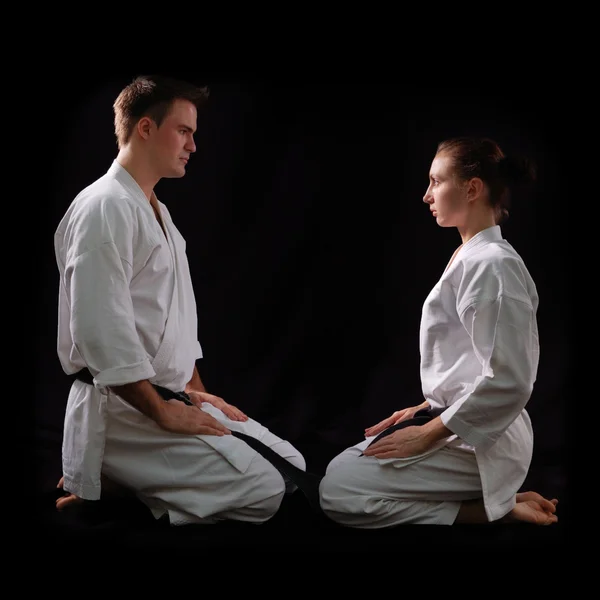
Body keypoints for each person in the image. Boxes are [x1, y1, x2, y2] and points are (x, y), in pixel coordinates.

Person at [53, 74, 306, 525]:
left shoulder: (156, 210)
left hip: (168, 396)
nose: (192, 145)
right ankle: (112, 473)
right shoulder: (105, 206)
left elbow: (171, 324)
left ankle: (130, 484)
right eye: (183, 131)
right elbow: (100, 329)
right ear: (146, 128)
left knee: (293, 467)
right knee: (267, 490)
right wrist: (165, 413)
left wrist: (199, 396)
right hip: (126, 410)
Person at [318, 136, 559, 527]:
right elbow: (469, 364)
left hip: (488, 439)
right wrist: (424, 409)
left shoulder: (494, 265)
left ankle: (489, 511)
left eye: (436, 181)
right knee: (343, 465)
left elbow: (511, 381)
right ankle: (501, 500)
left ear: (472, 188)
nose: (427, 195)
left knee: (338, 491)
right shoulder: (473, 256)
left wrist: (427, 433)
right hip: (460, 423)